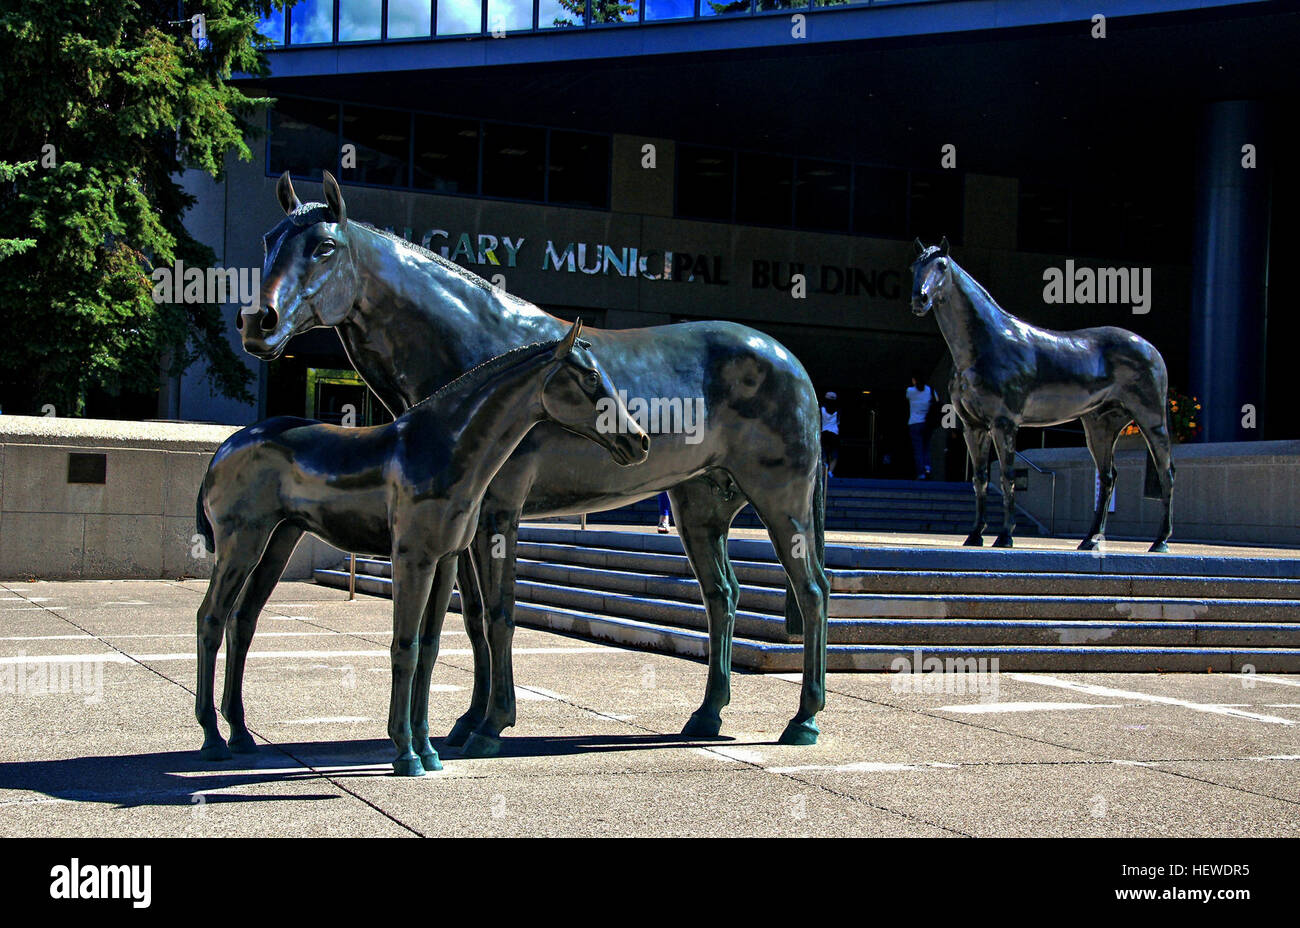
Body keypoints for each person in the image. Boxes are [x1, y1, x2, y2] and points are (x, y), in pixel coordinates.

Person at [906, 370, 936, 480]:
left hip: (914, 422)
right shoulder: (930, 390)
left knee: (918, 449)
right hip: (927, 423)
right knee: (926, 447)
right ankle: (927, 467)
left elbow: (908, 398)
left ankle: (921, 473)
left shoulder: (910, 391)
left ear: (914, 380)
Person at [820, 391, 840, 478]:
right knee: (834, 455)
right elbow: (838, 422)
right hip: (834, 433)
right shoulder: (838, 410)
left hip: (824, 432)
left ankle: (823, 472)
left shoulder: (821, 409)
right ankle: (830, 472)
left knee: (823, 455)